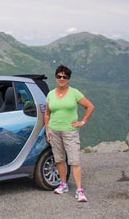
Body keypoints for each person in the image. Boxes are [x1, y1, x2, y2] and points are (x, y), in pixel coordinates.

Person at [44, 65, 94, 202]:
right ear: (56, 77)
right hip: (54, 131)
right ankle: (63, 184)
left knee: (74, 161)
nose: (61, 79)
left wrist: (82, 122)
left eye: (64, 77)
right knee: (59, 159)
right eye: (59, 76)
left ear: (68, 79)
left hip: (69, 132)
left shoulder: (74, 93)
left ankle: (79, 190)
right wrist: (47, 130)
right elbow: (47, 114)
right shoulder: (50, 94)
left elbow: (90, 106)